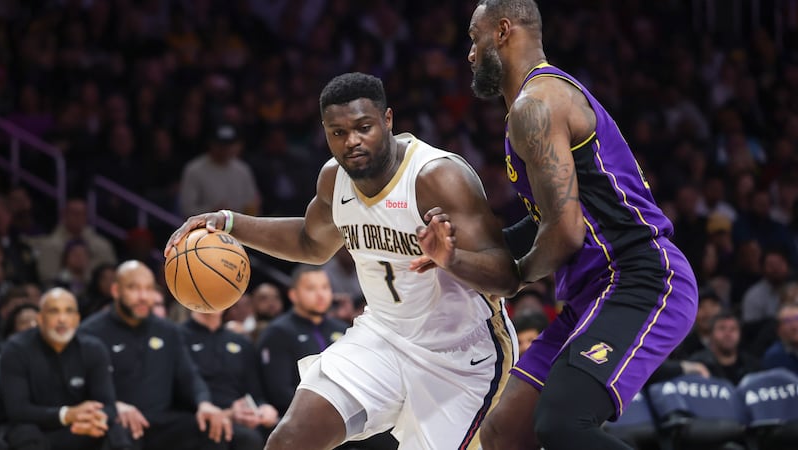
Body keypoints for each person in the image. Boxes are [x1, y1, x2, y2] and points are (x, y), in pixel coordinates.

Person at [165, 72, 519, 449]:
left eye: (363, 127)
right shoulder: (335, 179)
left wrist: (451, 259)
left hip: (461, 355)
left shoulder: (436, 176)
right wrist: (229, 222)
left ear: (387, 120)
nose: (351, 141)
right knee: (288, 442)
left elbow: (506, 277)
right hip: (383, 337)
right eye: (337, 132)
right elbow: (310, 243)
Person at [462, 2, 698, 449]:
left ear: (503, 31)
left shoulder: (539, 104)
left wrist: (511, 279)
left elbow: (566, 233)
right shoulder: (529, 109)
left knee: (563, 422)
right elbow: (542, 225)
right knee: (503, 431)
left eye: (475, 38)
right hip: (589, 296)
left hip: (640, 276)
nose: (470, 53)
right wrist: (455, 251)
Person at [79, 260, 232, 450]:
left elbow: (189, 376)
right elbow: (80, 387)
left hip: (162, 421)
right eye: (133, 288)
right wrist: (113, 406)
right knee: (117, 433)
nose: (143, 297)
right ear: (116, 291)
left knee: (212, 428)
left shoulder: (168, 330)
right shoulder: (90, 332)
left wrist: (204, 403)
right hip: (119, 419)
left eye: (149, 289)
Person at [0, 288, 130, 450]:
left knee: (117, 430)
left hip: (79, 427)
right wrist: (66, 414)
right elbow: (17, 410)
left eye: (69, 312)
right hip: (39, 430)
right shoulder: (16, 349)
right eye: (54, 311)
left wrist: (94, 418)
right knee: (24, 431)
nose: (62, 319)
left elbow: (108, 405)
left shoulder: (94, 348)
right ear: (40, 318)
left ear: (77, 319)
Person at [256, 265, 349, 417]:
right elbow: (279, 392)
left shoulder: (344, 330)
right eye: (311, 289)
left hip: (345, 414)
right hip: (301, 418)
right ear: (293, 295)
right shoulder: (278, 332)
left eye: (325, 287)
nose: (321, 295)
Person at [180, 310, 279, 450]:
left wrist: (263, 408)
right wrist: (228, 414)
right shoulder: (178, 336)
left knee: (271, 432)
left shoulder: (241, 341)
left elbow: (256, 393)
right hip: (195, 417)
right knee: (222, 435)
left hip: (241, 419)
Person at [178, 122, 260, 218]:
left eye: (229, 145)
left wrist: (253, 208)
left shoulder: (243, 170)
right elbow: (187, 210)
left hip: (240, 228)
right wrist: (212, 212)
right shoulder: (194, 170)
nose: (225, 149)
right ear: (211, 143)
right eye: (221, 144)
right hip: (207, 229)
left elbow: (252, 203)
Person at [688, 312, 760, 384]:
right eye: (722, 328)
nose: (728, 334)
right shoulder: (696, 364)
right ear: (710, 334)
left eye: (733, 329)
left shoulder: (753, 367)